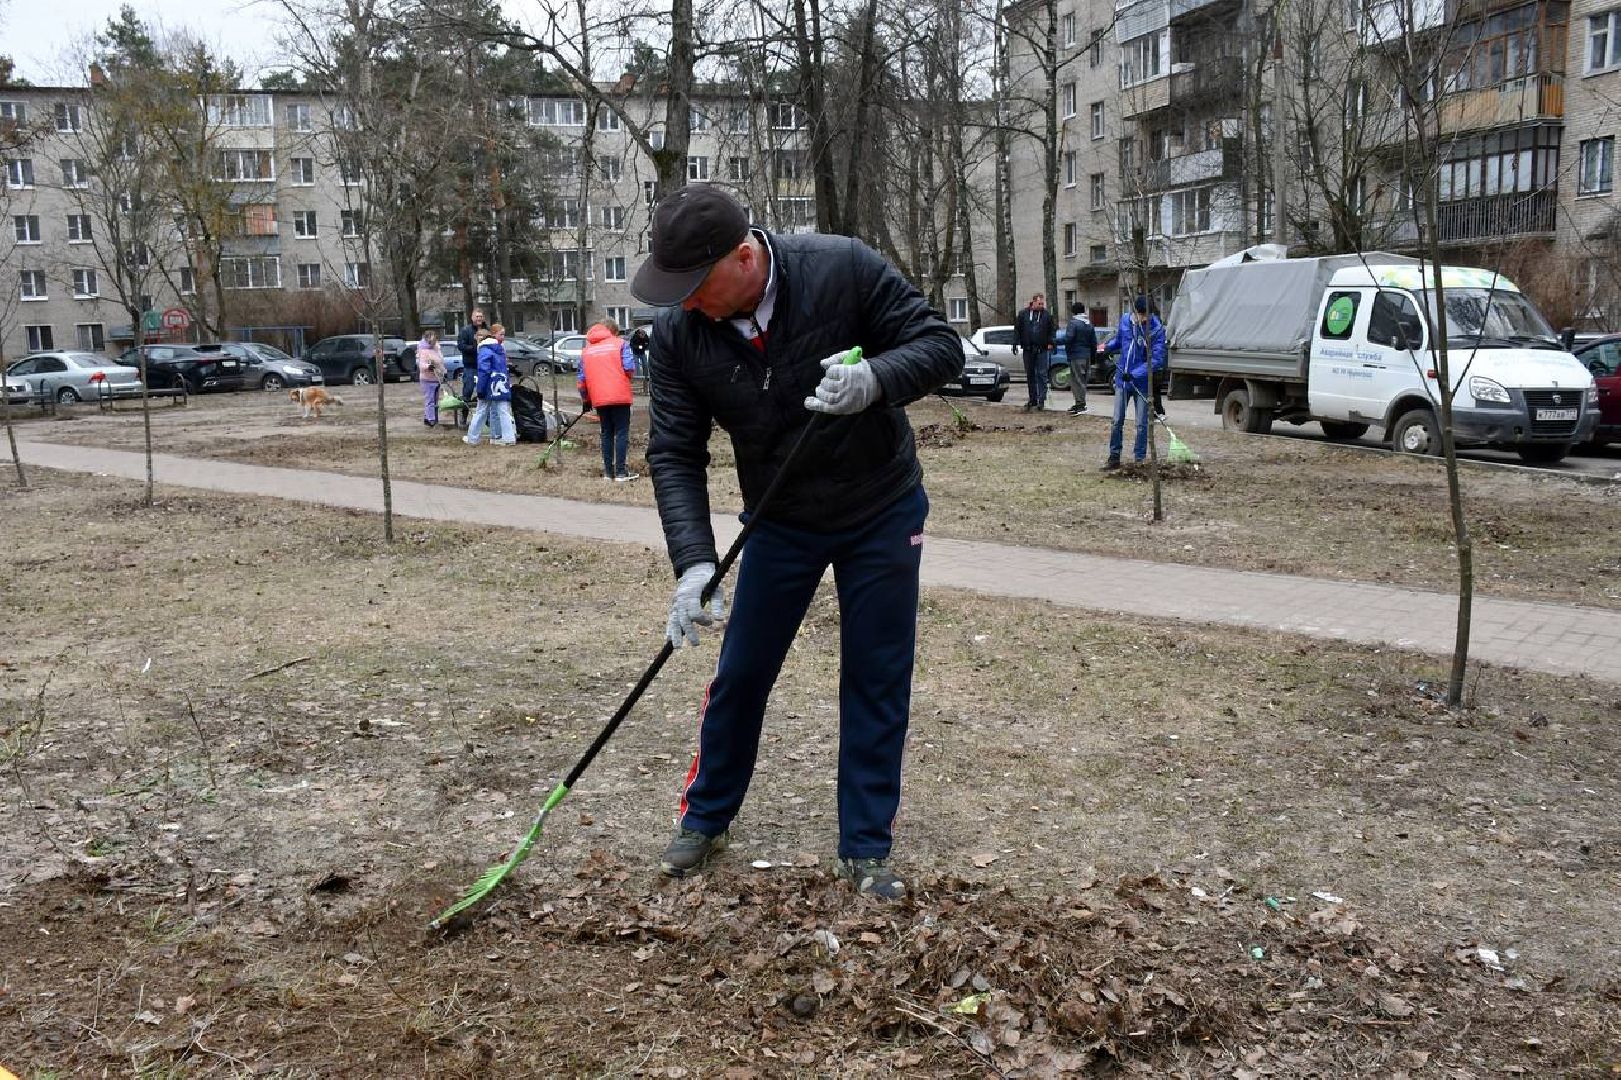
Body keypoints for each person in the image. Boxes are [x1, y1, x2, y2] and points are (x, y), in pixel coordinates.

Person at [632, 184, 961, 900]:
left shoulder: (841, 267)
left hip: (880, 504)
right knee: (742, 673)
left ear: (744, 257)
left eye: (694, 286)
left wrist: (876, 378)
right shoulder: (681, 332)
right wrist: (692, 565)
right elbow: (674, 452)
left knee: (875, 676)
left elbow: (940, 346)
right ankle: (706, 816)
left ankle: (865, 846)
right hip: (779, 516)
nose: (684, 301)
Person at [1102, 295, 1167, 469]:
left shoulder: (1156, 330)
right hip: (1122, 380)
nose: (1144, 319)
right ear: (1135, 312)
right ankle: (1114, 457)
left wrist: (1136, 374)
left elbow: (1157, 359)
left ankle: (1139, 459)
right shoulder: (1125, 321)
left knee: (1141, 423)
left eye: (1147, 315)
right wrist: (1106, 348)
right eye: (1141, 315)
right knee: (1117, 420)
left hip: (1141, 382)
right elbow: (1120, 342)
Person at [578, 318, 640, 481]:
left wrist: (586, 400)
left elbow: (581, 381)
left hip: (599, 398)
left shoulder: (587, 351)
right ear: (614, 331)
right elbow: (629, 368)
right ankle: (620, 472)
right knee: (621, 432)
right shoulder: (620, 343)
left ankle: (608, 472)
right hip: (619, 395)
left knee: (606, 433)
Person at [464, 324, 515, 446]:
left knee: (481, 411)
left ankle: (472, 438)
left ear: (480, 339)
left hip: (489, 386)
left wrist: (480, 389)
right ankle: (508, 438)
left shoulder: (484, 349)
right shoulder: (499, 349)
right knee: (503, 411)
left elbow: (484, 370)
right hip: (501, 384)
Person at [1014, 293, 1055, 411]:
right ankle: (1033, 399)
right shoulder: (1023, 314)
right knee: (1030, 374)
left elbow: (1052, 330)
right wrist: (1015, 342)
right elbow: (1017, 329)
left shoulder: (1046, 315)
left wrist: (1051, 342)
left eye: (1043, 303)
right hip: (1028, 349)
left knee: (1042, 374)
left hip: (1042, 349)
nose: (1042, 306)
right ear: (1033, 302)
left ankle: (1041, 400)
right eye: (1039, 303)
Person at [455, 307, 487, 429]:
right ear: (472, 318)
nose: (479, 319)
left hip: (484, 367)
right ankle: (463, 417)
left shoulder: (486, 330)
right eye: (476, 316)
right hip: (470, 366)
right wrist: (474, 348)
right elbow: (460, 345)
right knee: (467, 391)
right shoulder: (466, 330)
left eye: (481, 316)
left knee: (485, 392)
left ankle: (486, 419)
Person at [1062, 303, 1096, 415]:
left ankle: (1081, 404)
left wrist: (1055, 341)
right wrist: (1093, 357)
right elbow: (1093, 343)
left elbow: (1069, 338)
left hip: (1076, 355)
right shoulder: (1088, 324)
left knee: (1076, 381)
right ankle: (1079, 403)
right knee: (1082, 380)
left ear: (1074, 312)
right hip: (1087, 356)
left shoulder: (1073, 323)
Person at [415, 329, 448, 427]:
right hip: (427, 379)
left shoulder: (437, 349)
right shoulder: (423, 350)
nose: (434, 339)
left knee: (436, 400)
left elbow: (440, 362)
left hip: (437, 378)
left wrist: (444, 372)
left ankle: (431, 417)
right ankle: (431, 419)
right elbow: (421, 364)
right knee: (429, 400)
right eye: (432, 337)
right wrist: (428, 366)